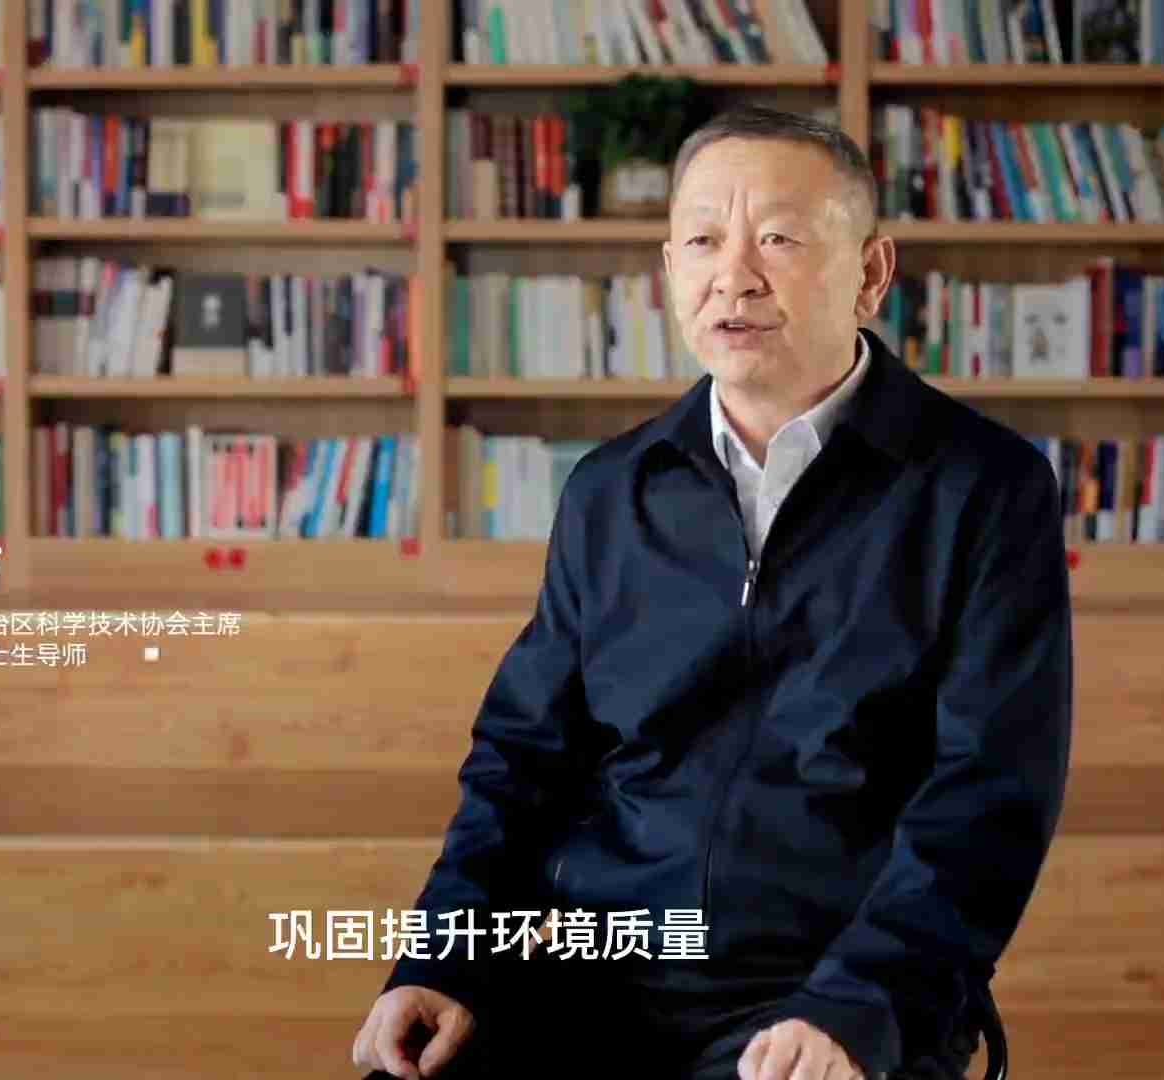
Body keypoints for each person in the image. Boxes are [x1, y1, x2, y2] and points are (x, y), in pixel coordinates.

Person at [351, 103, 1073, 1080]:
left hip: (833, 986)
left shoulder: (983, 489)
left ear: (871, 274)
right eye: (701, 242)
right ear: (668, 271)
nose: (734, 276)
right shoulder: (613, 489)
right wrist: (443, 961)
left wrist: (860, 1007)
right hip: (600, 976)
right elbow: (521, 763)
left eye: (778, 239)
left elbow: (988, 797)